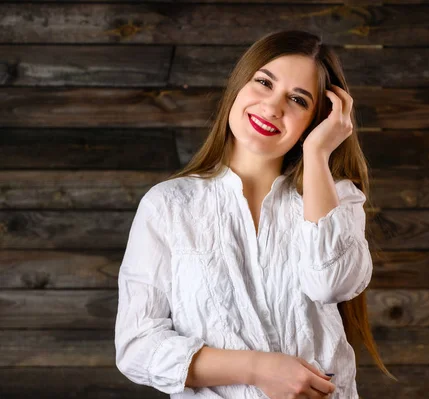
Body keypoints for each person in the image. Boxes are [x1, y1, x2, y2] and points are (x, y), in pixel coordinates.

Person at [114, 29, 396, 399]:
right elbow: (137, 347)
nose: (273, 107)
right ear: (238, 85)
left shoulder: (336, 197)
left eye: (298, 99)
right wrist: (258, 368)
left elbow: (331, 283)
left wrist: (317, 154)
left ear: (317, 119)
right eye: (264, 82)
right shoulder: (168, 205)